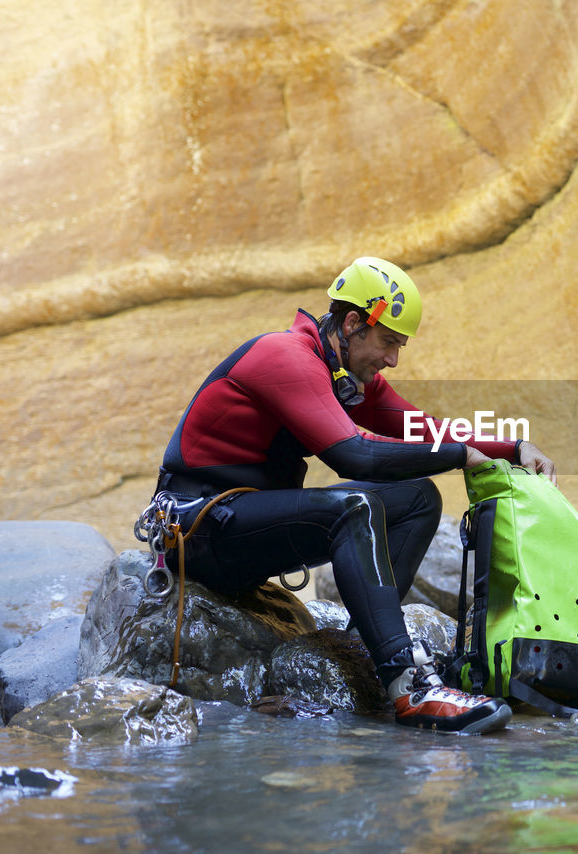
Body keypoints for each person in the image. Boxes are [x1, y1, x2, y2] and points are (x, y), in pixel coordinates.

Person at [149, 256, 556, 734]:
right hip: (199, 532)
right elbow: (354, 457)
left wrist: (511, 446)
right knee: (354, 507)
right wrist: (459, 455)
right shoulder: (284, 357)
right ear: (351, 324)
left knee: (417, 498)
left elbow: (418, 427)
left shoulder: (342, 373)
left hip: (243, 526)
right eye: (388, 342)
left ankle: (364, 652)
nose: (392, 359)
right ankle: (408, 684)